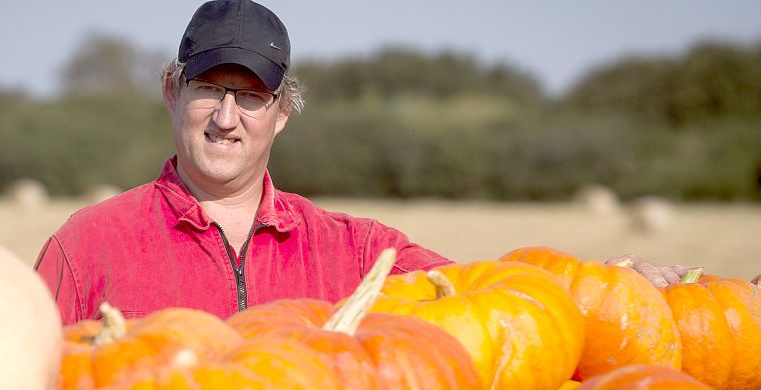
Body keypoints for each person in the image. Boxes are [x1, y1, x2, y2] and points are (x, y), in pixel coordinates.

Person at [35, 0, 688, 326]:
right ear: (172, 91)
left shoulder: (359, 253)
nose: (226, 117)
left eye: (251, 96)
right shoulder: (86, 248)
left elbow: (485, 299)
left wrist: (612, 279)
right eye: (209, 88)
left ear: (282, 111)